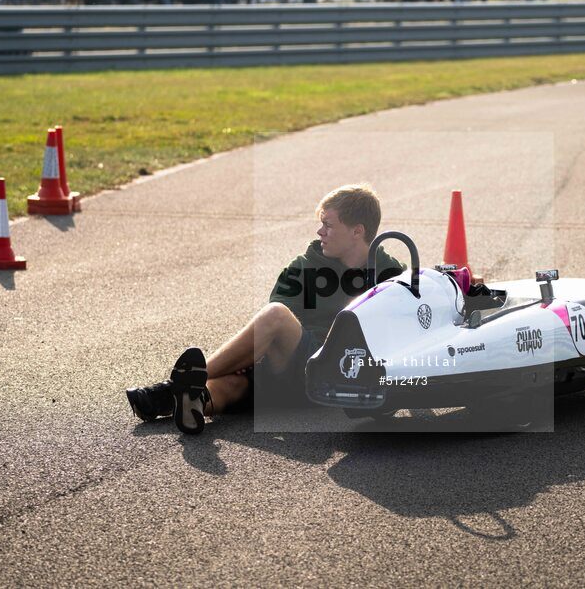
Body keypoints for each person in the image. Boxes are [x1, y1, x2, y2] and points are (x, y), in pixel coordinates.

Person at [126, 185, 405, 435]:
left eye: (328, 225)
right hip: (290, 370)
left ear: (358, 231)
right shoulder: (302, 267)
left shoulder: (392, 275)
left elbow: (404, 336)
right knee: (229, 386)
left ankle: (169, 388)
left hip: (334, 368)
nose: (320, 232)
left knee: (275, 314)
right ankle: (188, 398)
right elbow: (271, 335)